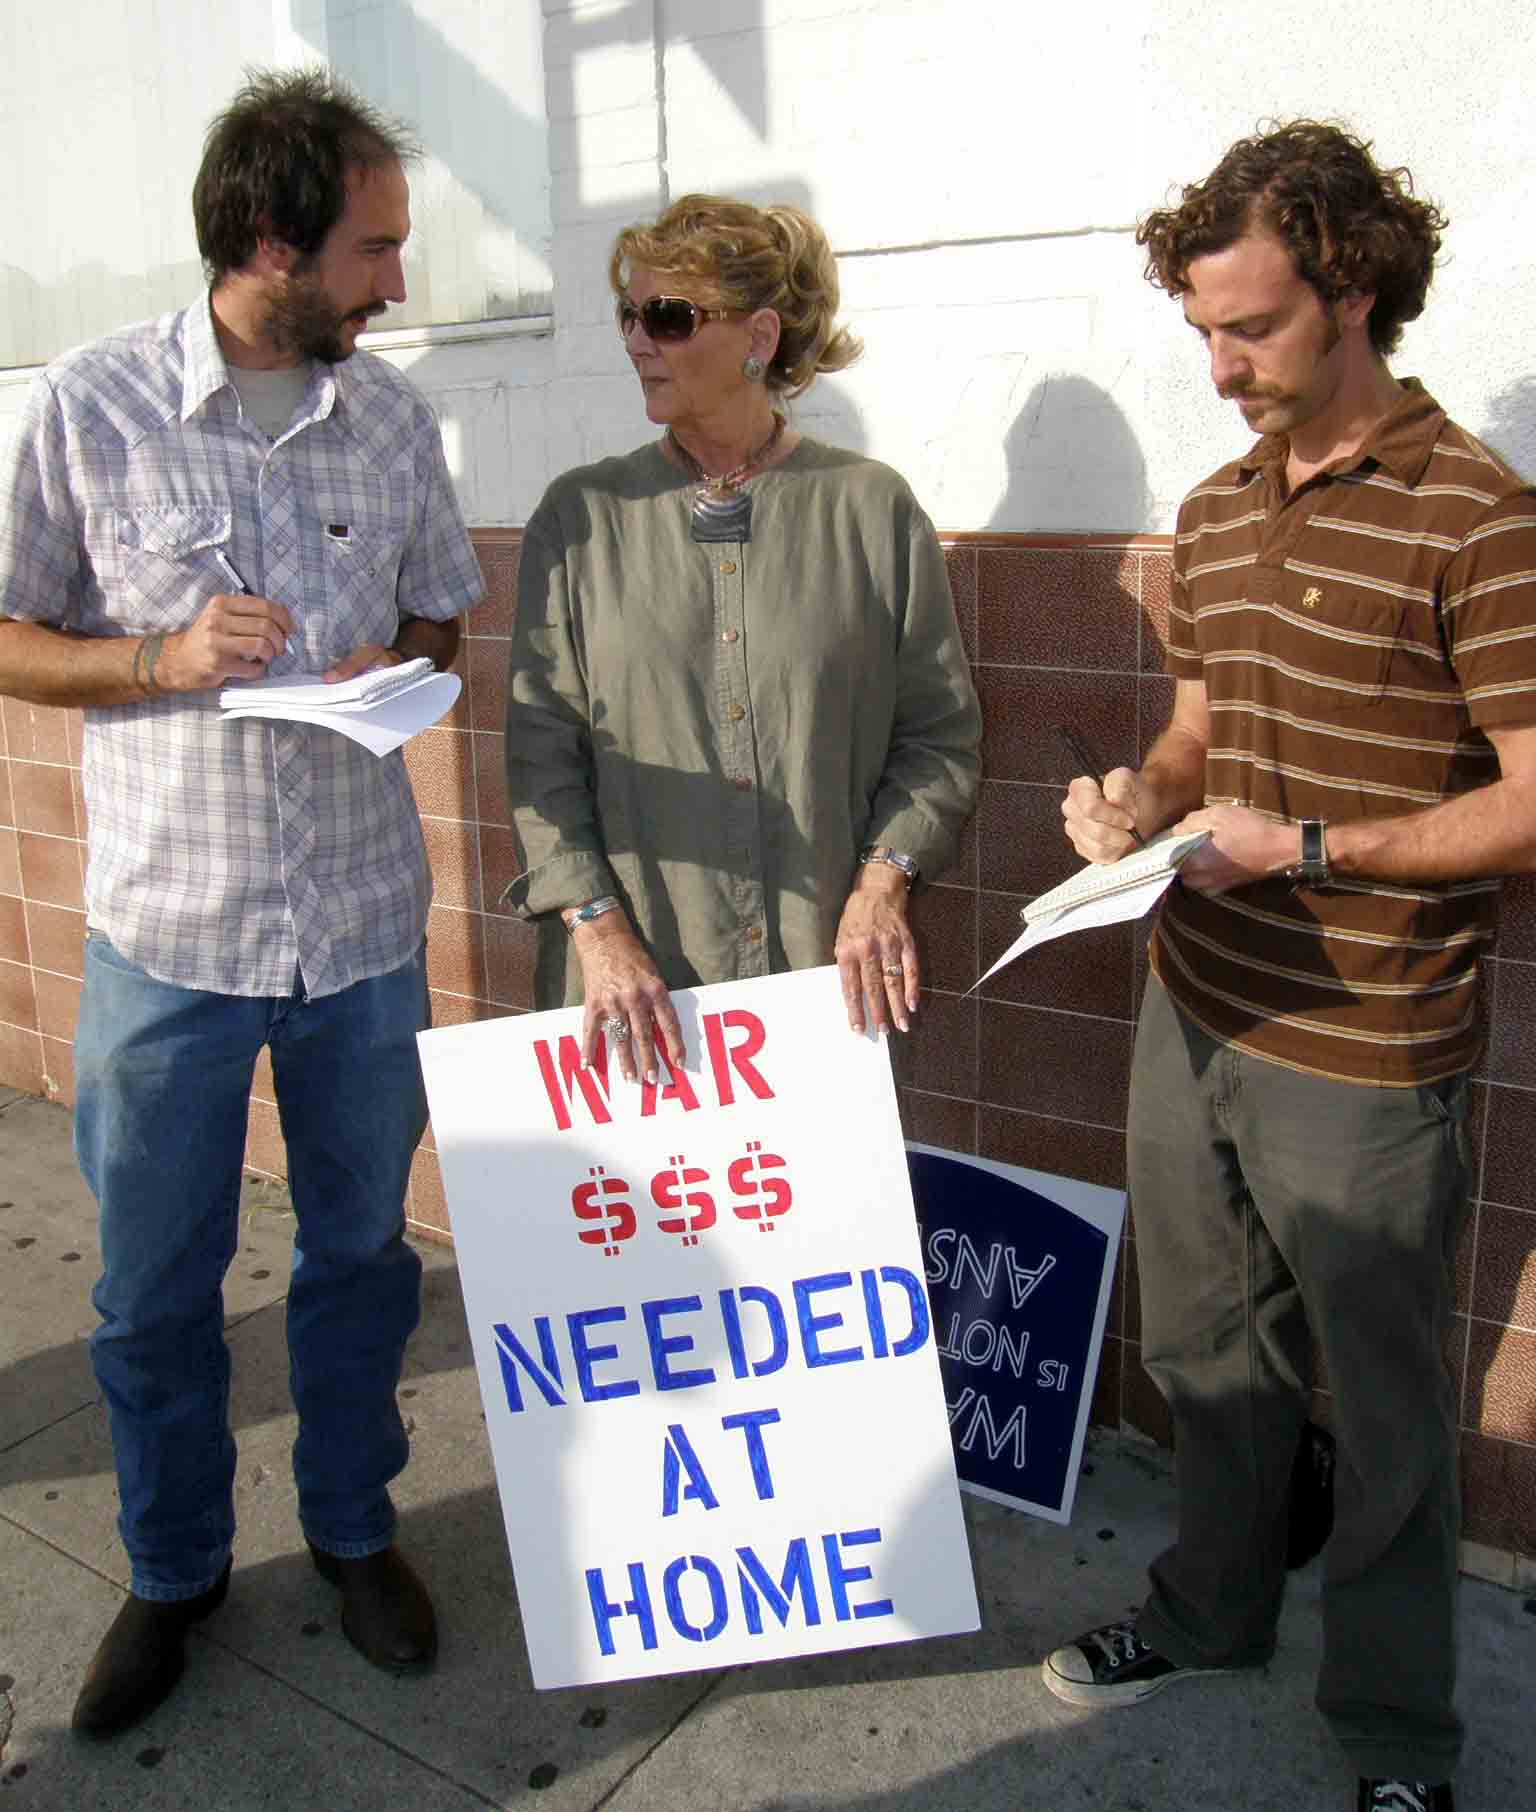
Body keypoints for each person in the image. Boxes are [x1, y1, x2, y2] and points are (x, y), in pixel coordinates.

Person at [1041, 121, 1536, 1812]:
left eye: (1248, 327)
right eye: (1201, 329)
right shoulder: (1215, 509)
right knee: (1206, 1351)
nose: (1220, 365)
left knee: (1386, 1416)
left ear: (1355, 290)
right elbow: (1199, 732)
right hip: (1196, 999)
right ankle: (1210, 1612)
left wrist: (1311, 848)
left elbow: (1531, 800)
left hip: (1371, 1037)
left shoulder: (1480, 517)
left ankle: (1396, 1739)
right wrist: (1138, 797)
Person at [0, 70, 484, 1735]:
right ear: (274, 238)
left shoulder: (393, 420)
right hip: (171, 941)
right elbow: (7, 636)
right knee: (152, 1290)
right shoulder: (93, 403)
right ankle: (174, 1569)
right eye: (375, 247)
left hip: (359, 933)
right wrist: (157, 657)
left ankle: (353, 1530)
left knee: (359, 1258)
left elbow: (443, 619)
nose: (398, 281)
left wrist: (390, 665)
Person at [504, 194, 980, 1065]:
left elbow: (938, 736)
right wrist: (599, 930)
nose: (636, 341)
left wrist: (883, 884)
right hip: (631, 990)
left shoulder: (871, 510)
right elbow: (543, 757)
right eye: (627, 315)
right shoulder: (580, 518)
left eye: (667, 317)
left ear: (758, 337)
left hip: (822, 989)